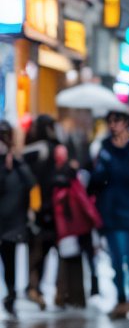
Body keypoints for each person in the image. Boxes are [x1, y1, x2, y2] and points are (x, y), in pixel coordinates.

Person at [90, 110, 129, 320]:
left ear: (126, 123)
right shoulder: (105, 148)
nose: (113, 125)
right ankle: (121, 300)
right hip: (111, 211)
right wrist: (102, 167)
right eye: (110, 121)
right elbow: (97, 181)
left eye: (116, 121)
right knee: (117, 262)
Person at [51, 146, 102, 308]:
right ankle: (79, 296)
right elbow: (84, 203)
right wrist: (96, 222)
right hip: (78, 229)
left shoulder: (56, 183)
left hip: (68, 230)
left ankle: (68, 296)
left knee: (69, 263)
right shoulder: (71, 182)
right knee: (80, 262)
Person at [23, 114, 60, 309]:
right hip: (47, 208)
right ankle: (36, 288)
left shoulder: (33, 150)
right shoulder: (48, 149)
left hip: (38, 208)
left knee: (39, 250)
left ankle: (35, 287)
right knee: (42, 249)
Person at [0, 120, 34, 316]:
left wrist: (15, 163)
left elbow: (30, 182)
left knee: (9, 260)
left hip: (12, 221)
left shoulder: (17, 160)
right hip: (5, 218)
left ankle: (11, 293)